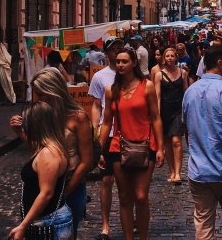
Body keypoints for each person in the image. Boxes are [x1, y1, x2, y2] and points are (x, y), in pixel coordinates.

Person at [11, 68, 94, 234]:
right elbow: (40, 151)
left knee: (66, 232)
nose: (37, 99)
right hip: (45, 185)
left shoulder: (78, 117)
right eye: (36, 94)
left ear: (54, 92)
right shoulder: (42, 115)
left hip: (72, 185)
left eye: (41, 95)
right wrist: (20, 132)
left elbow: (87, 162)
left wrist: (64, 192)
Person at [98, 47, 165, 240]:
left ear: (134, 63)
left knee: (141, 196)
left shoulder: (147, 86)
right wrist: (100, 150)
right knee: (125, 197)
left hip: (146, 144)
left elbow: (156, 118)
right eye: (118, 61)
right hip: (119, 146)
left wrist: (160, 148)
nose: (120, 64)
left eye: (124, 61)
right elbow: (106, 122)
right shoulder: (112, 90)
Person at [182, 45, 222, 240]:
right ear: (219, 63)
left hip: (199, 169)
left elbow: (187, 129)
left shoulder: (190, 92)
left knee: (203, 221)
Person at [9, 102, 74, 240]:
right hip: (46, 220)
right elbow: (35, 149)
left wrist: (23, 226)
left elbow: (46, 193)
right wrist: (19, 132)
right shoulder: (49, 147)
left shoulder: (49, 153)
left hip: (49, 221)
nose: (26, 127)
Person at [89, 35, 122, 240]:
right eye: (114, 49)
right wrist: (95, 130)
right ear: (107, 54)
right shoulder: (100, 77)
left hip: (129, 135)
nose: (117, 52)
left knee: (129, 181)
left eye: (120, 48)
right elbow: (95, 105)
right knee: (107, 180)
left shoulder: (133, 76)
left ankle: (131, 217)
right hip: (108, 134)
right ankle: (105, 225)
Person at [154, 47, 188, 183]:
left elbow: (186, 92)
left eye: (172, 56)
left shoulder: (183, 73)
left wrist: (187, 110)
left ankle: (178, 172)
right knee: (167, 143)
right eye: (167, 56)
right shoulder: (159, 75)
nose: (169, 58)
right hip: (165, 110)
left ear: (176, 57)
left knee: (176, 141)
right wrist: (157, 113)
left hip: (178, 109)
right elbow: (157, 95)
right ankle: (172, 171)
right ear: (164, 58)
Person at [0, 28, 17, 105]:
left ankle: (11, 98)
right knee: (7, 82)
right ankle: (10, 98)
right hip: (3, 66)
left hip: (4, 66)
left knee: (7, 83)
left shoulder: (0, 45)